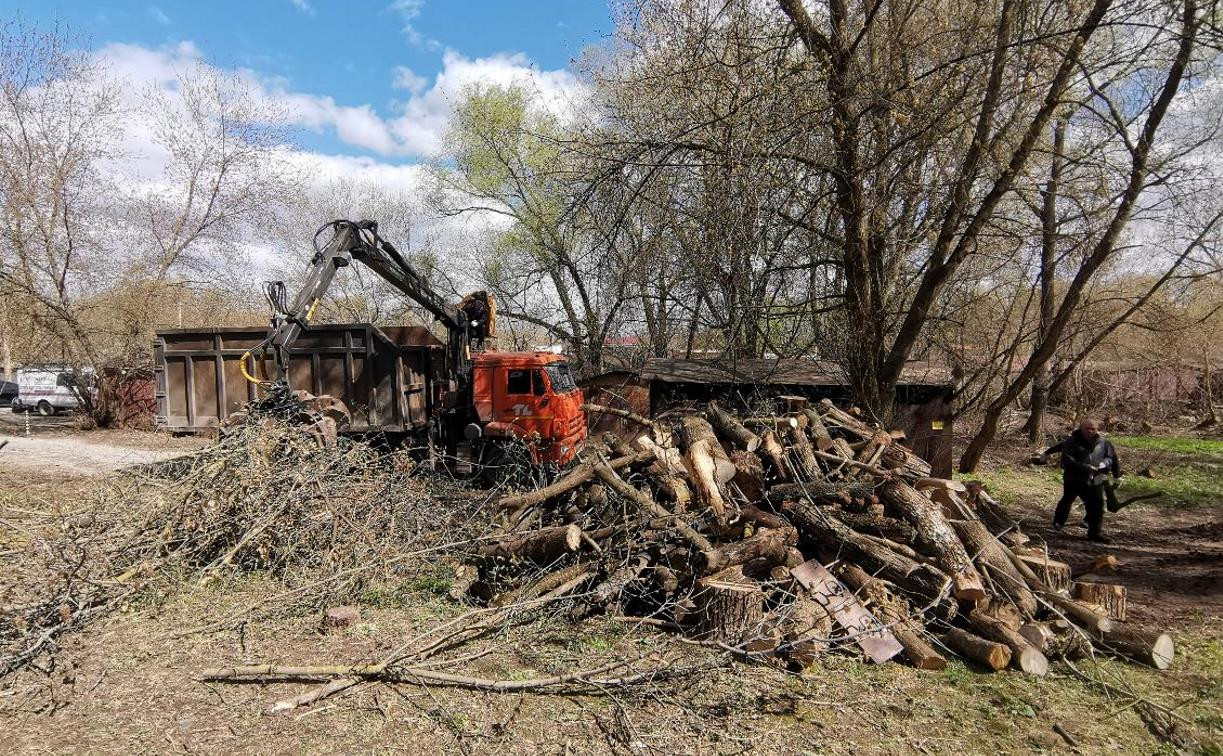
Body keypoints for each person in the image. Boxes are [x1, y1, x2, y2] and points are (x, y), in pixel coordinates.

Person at [1038, 419, 1124, 543]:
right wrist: (1085, 467)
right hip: (1074, 478)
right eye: (1087, 428)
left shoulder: (1104, 443)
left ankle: (1095, 533)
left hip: (1096, 478)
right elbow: (1066, 457)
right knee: (1068, 499)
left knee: (1097, 505)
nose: (1090, 431)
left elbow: (1113, 458)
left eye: (1093, 429)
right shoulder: (1072, 441)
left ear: (1097, 429)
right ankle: (1058, 522)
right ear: (1081, 429)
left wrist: (1116, 476)